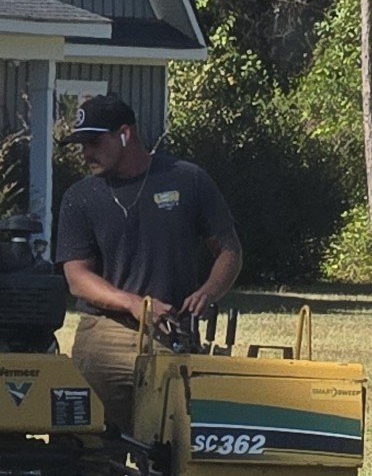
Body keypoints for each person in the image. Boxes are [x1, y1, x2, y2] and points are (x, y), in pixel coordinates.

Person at [53, 94, 242, 441]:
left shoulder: (187, 179)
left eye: (94, 142)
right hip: (104, 334)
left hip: (173, 333)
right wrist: (134, 304)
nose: (86, 154)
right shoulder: (79, 197)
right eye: (81, 145)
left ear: (125, 134)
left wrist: (208, 293)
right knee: (85, 451)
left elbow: (229, 251)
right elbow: (77, 277)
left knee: (172, 456)